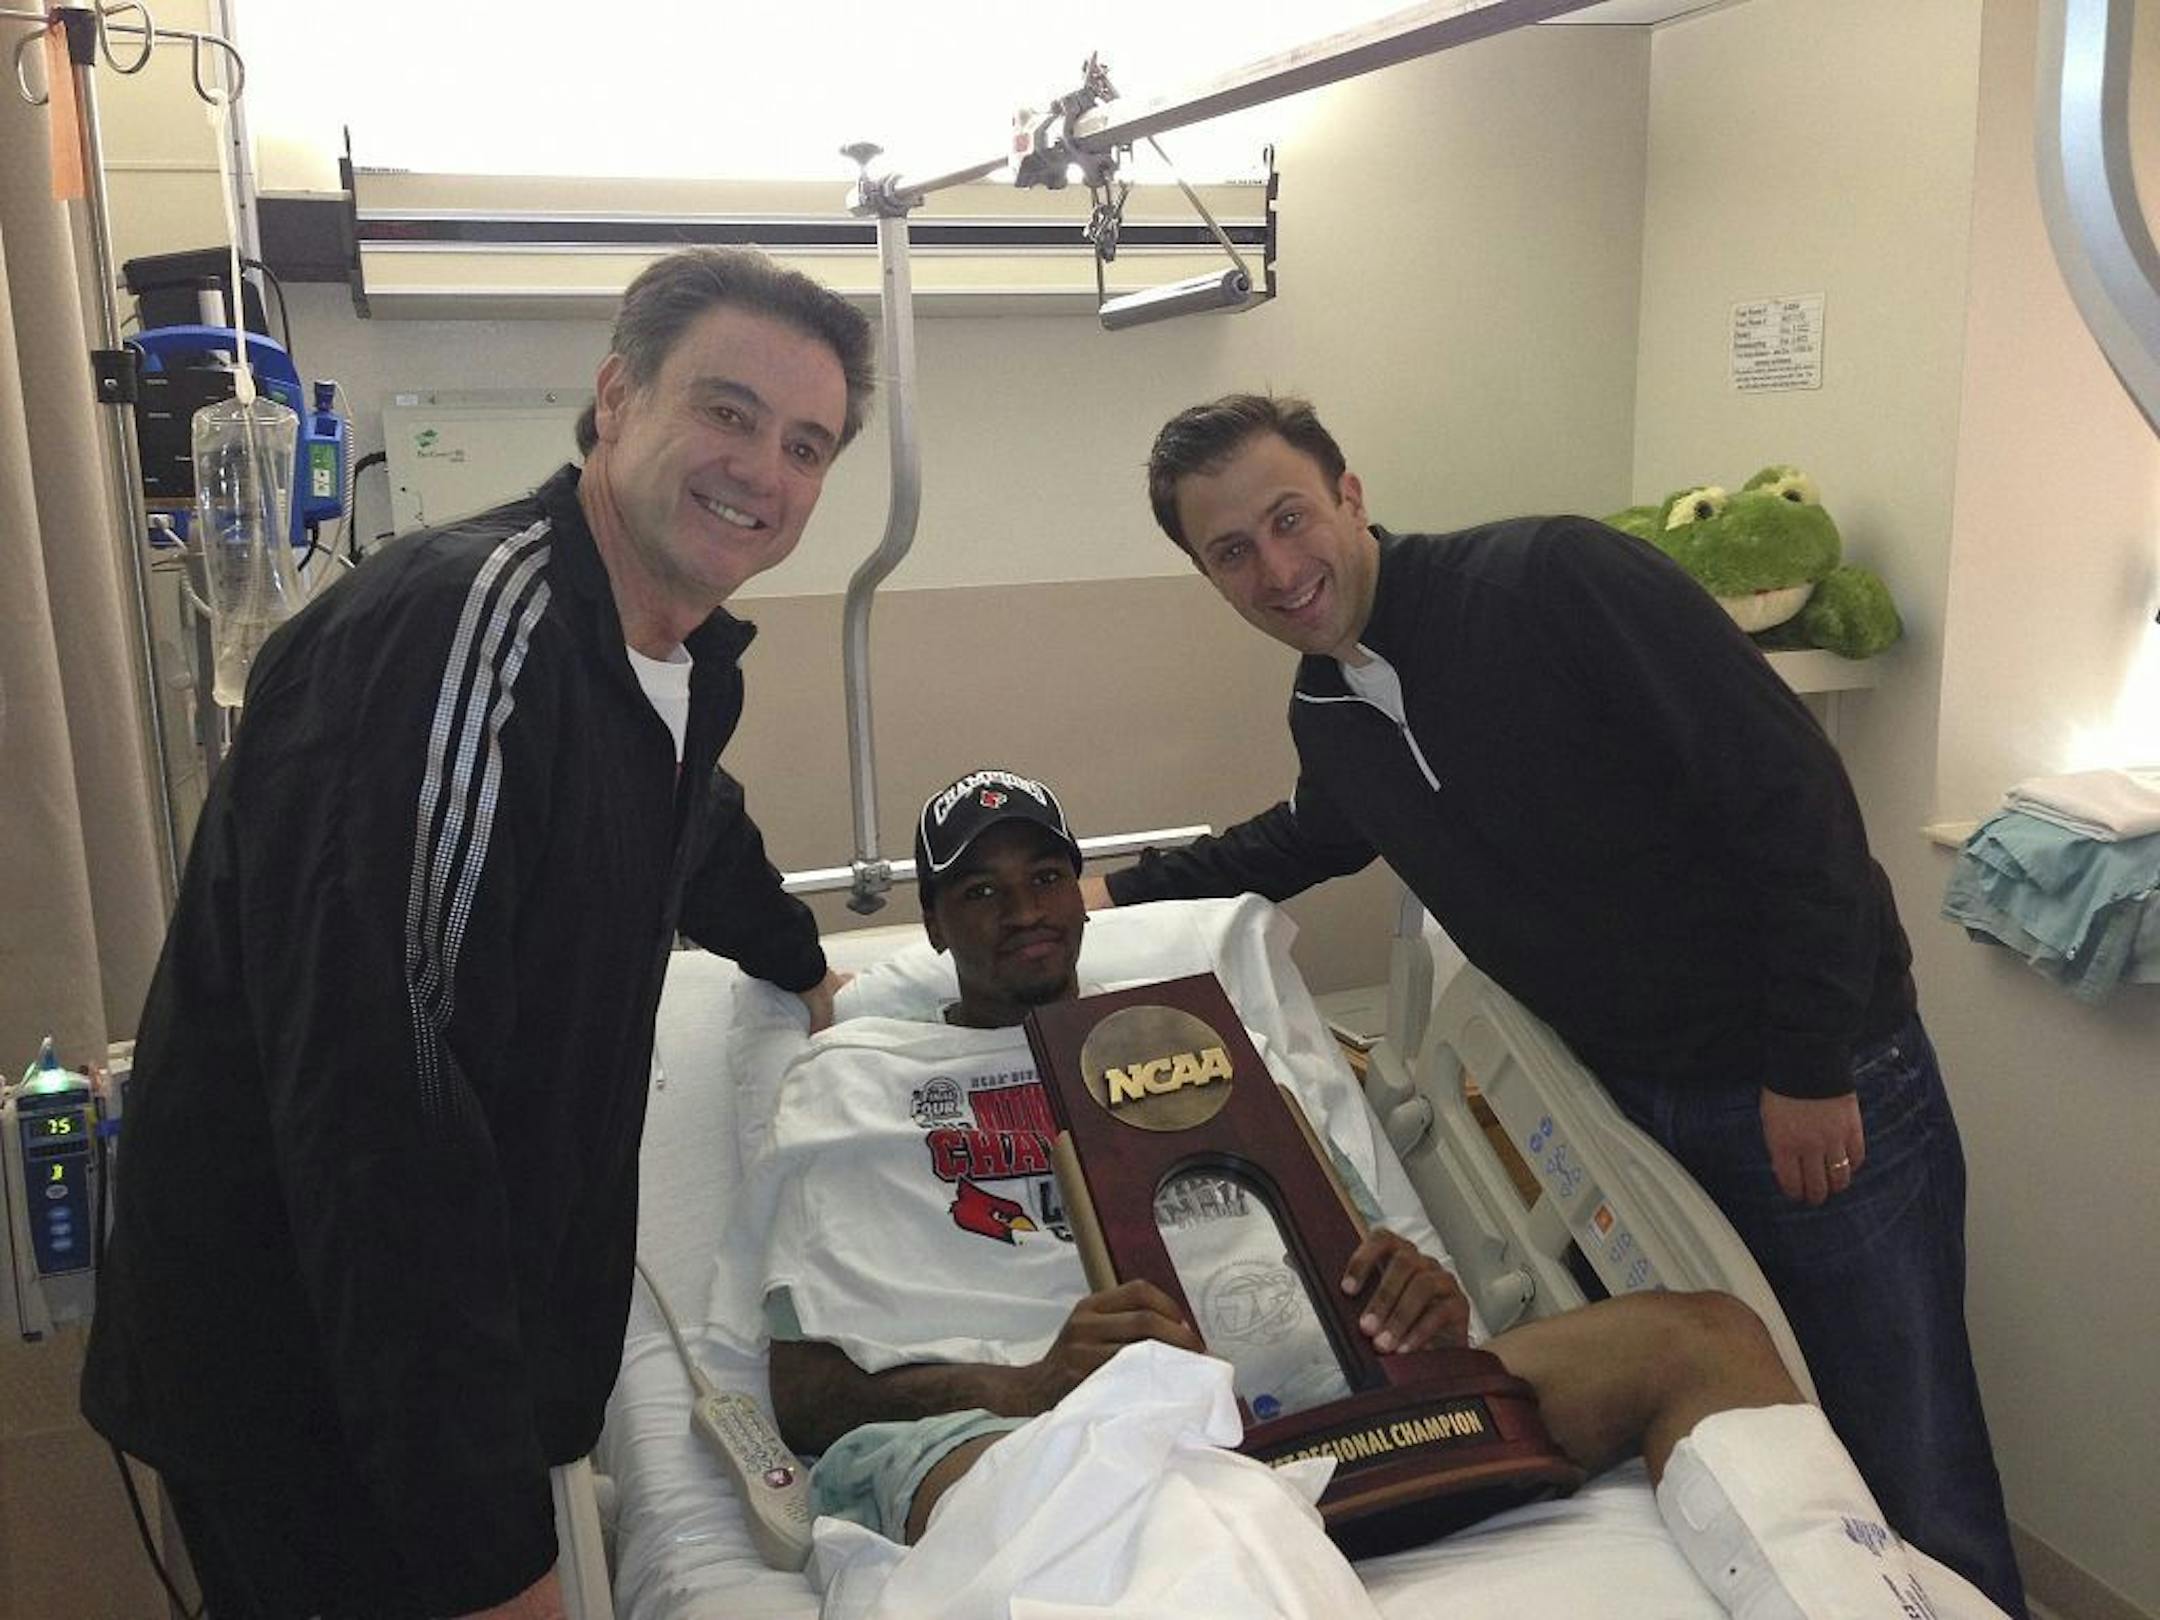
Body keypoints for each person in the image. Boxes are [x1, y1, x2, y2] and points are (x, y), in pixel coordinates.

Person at [1082, 393, 2024, 1616]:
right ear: (1206, 575)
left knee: (1909, 1446)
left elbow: (1794, 801)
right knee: (1783, 1453)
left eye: (1289, 518)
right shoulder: (1329, 706)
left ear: (1350, 496)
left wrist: (1808, 1065)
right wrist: (1104, 892)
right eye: (1232, 552)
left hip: (1807, 1081)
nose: (1277, 567)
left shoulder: (1552, 583)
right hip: (1632, 1099)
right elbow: (1313, 832)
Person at [80, 247, 871, 1620]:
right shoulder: (467, 629)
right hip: (312, 1388)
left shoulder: (663, 657)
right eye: (729, 412)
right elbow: (389, 1100)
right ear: (618, 398)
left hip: (426, 1386)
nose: (765, 470)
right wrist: (490, 1551)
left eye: (807, 445)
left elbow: (692, 833)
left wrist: (801, 965)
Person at [755, 770, 1960, 1618]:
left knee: (1702, 1335)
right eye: (979, 890)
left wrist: (1407, 1290)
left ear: (1083, 892)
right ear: (930, 921)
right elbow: (806, 1398)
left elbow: (1328, 1233)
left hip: (1299, 1407)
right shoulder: (860, 1082)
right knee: (1176, 1508)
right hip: (1025, 1434)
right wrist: (1031, 1384)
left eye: (1046, 875)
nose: (1022, 909)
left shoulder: (1188, 1041)